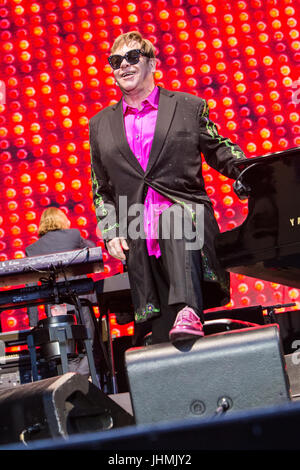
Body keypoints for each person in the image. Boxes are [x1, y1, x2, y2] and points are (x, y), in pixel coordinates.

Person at [89, 31, 248, 345]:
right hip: (140, 238)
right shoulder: (100, 124)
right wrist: (111, 229)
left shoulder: (187, 107)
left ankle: (189, 308)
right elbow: (101, 187)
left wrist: (255, 174)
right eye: (116, 61)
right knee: (164, 340)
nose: (124, 65)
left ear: (152, 63)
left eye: (133, 57)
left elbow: (220, 151)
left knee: (172, 220)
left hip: (186, 227)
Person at [25, 207, 99, 376]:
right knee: (90, 344)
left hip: (54, 308)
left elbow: (30, 284)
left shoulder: (33, 249)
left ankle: (74, 384)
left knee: (67, 353)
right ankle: (81, 381)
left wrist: (33, 318)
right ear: (62, 220)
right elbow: (92, 248)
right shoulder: (73, 235)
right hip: (80, 300)